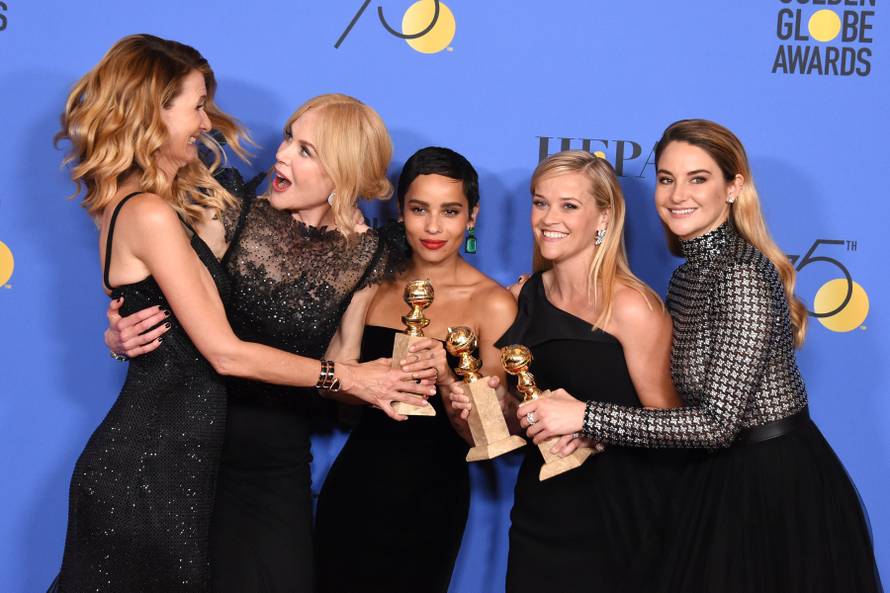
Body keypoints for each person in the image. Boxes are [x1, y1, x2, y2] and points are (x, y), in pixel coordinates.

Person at [53, 36, 430, 593]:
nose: (279, 155)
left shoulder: (368, 255)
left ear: (344, 168)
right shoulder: (209, 210)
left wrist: (383, 380)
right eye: (197, 106)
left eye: (307, 149)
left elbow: (164, 303)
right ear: (155, 109)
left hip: (244, 458)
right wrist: (117, 335)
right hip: (181, 454)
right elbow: (219, 347)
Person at [518, 120, 883, 593]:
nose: (676, 194)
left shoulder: (742, 275)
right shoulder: (689, 274)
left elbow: (715, 424)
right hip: (714, 477)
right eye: (667, 178)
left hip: (771, 486)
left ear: (734, 187)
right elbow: (681, 412)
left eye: (698, 178)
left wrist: (585, 417)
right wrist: (595, 432)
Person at [450, 150, 682, 592]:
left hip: (625, 517)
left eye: (569, 205)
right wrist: (492, 406)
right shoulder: (521, 298)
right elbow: (518, 427)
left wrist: (592, 424)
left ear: (603, 217)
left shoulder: (633, 307)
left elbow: (674, 430)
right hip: (544, 512)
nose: (548, 218)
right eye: (540, 202)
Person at [314, 147, 518, 593]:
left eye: (450, 211)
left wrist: (446, 377)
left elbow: (491, 437)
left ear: (472, 217)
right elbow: (332, 385)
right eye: (419, 209)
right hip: (356, 485)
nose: (432, 227)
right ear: (401, 210)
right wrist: (371, 379)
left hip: (433, 494)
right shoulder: (372, 282)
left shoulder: (492, 303)